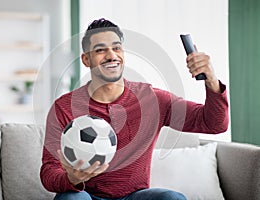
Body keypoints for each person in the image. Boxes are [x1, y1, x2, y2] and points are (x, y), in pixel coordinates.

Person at [40, 18, 229, 200]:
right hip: (85, 195)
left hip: (135, 196)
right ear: (86, 59)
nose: (111, 55)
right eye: (100, 50)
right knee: (72, 198)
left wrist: (211, 80)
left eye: (116, 48)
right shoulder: (64, 107)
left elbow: (213, 124)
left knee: (172, 198)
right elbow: (49, 172)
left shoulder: (153, 99)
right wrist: (71, 179)